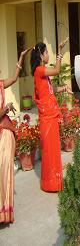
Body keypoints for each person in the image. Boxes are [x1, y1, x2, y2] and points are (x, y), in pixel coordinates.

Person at [30, 38, 70, 192]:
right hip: (47, 118)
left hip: (50, 116)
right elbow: (57, 70)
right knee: (50, 151)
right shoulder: (40, 71)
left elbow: (49, 90)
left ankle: (54, 182)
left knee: (53, 150)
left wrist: (63, 89)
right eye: (47, 52)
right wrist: (60, 52)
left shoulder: (42, 74)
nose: (48, 55)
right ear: (41, 55)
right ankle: (50, 184)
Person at [0, 48, 31, 223]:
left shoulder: (0, 84)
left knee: (5, 171)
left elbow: (13, 78)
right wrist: (5, 108)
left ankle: (5, 213)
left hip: (5, 132)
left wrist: (20, 58)